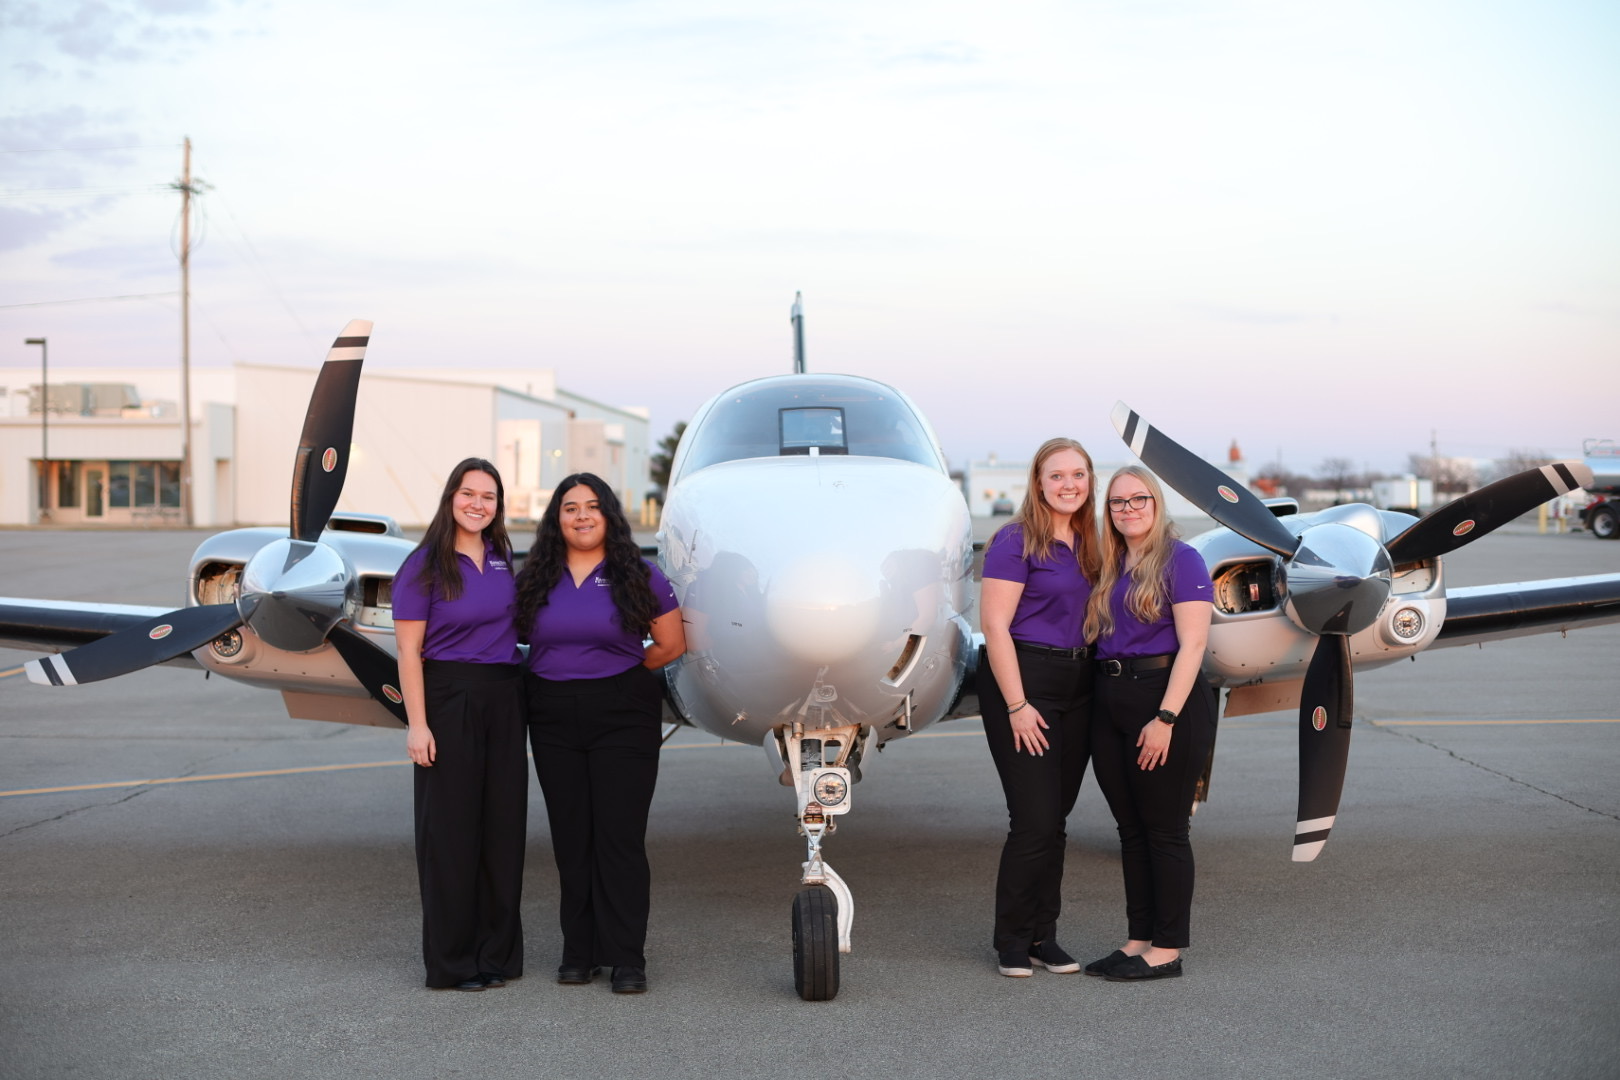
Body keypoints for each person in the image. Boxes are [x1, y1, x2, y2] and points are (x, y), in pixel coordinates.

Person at [514, 472, 686, 995]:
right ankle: (579, 951)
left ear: (609, 514)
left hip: (623, 712)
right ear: (556, 518)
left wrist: (622, 671)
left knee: (619, 836)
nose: (581, 516)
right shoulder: (535, 576)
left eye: (592, 506)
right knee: (571, 837)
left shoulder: (640, 573)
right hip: (550, 712)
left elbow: (671, 645)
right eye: (570, 508)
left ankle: (627, 957)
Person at [394, 458, 527, 991]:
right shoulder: (423, 564)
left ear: (498, 505)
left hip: (502, 698)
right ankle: (452, 963)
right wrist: (418, 725)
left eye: (489, 496)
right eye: (468, 493)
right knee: (451, 836)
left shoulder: (501, 556)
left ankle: (496, 956)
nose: (478, 504)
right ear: (451, 497)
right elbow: (407, 654)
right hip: (448, 699)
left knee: (502, 831)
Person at [1082, 465, 1216, 982]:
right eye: (1117, 502)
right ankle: (1139, 938)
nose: (1128, 509)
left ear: (1156, 503)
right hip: (1110, 699)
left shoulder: (1183, 560)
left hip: (1163, 701)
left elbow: (1195, 645)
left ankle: (1168, 950)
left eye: (1138, 499)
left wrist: (1165, 718)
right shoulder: (1111, 563)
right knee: (1131, 832)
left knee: (1165, 831)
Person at [978, 437, 1102, 977]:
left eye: (1078, 474)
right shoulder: (1015, 540)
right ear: (1038, 482)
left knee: (1056, 821)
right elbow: (994, 626)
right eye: (1057, 476)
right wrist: (1018, 704)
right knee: (1032, 819)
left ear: (1090, 480)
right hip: (1025, 678)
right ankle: (1010, 940)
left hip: (1082, 683)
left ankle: (1043, 937)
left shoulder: (1097, 542)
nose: (1068, 484)